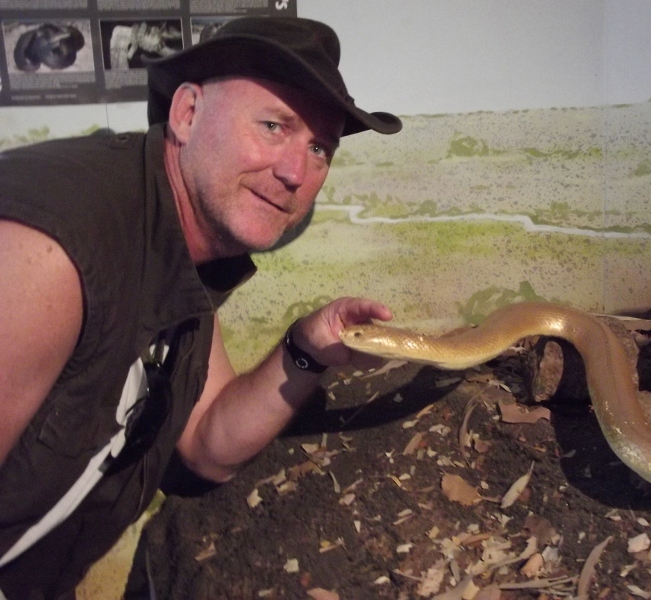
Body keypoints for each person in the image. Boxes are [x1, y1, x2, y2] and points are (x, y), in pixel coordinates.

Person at [0, 16, 401, 600]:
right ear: (187, 114)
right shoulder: (52, 253)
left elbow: (207, 443)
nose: (296, 172)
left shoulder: (183, 249)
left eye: (319, 147)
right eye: (273, 125)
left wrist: (307, 349)